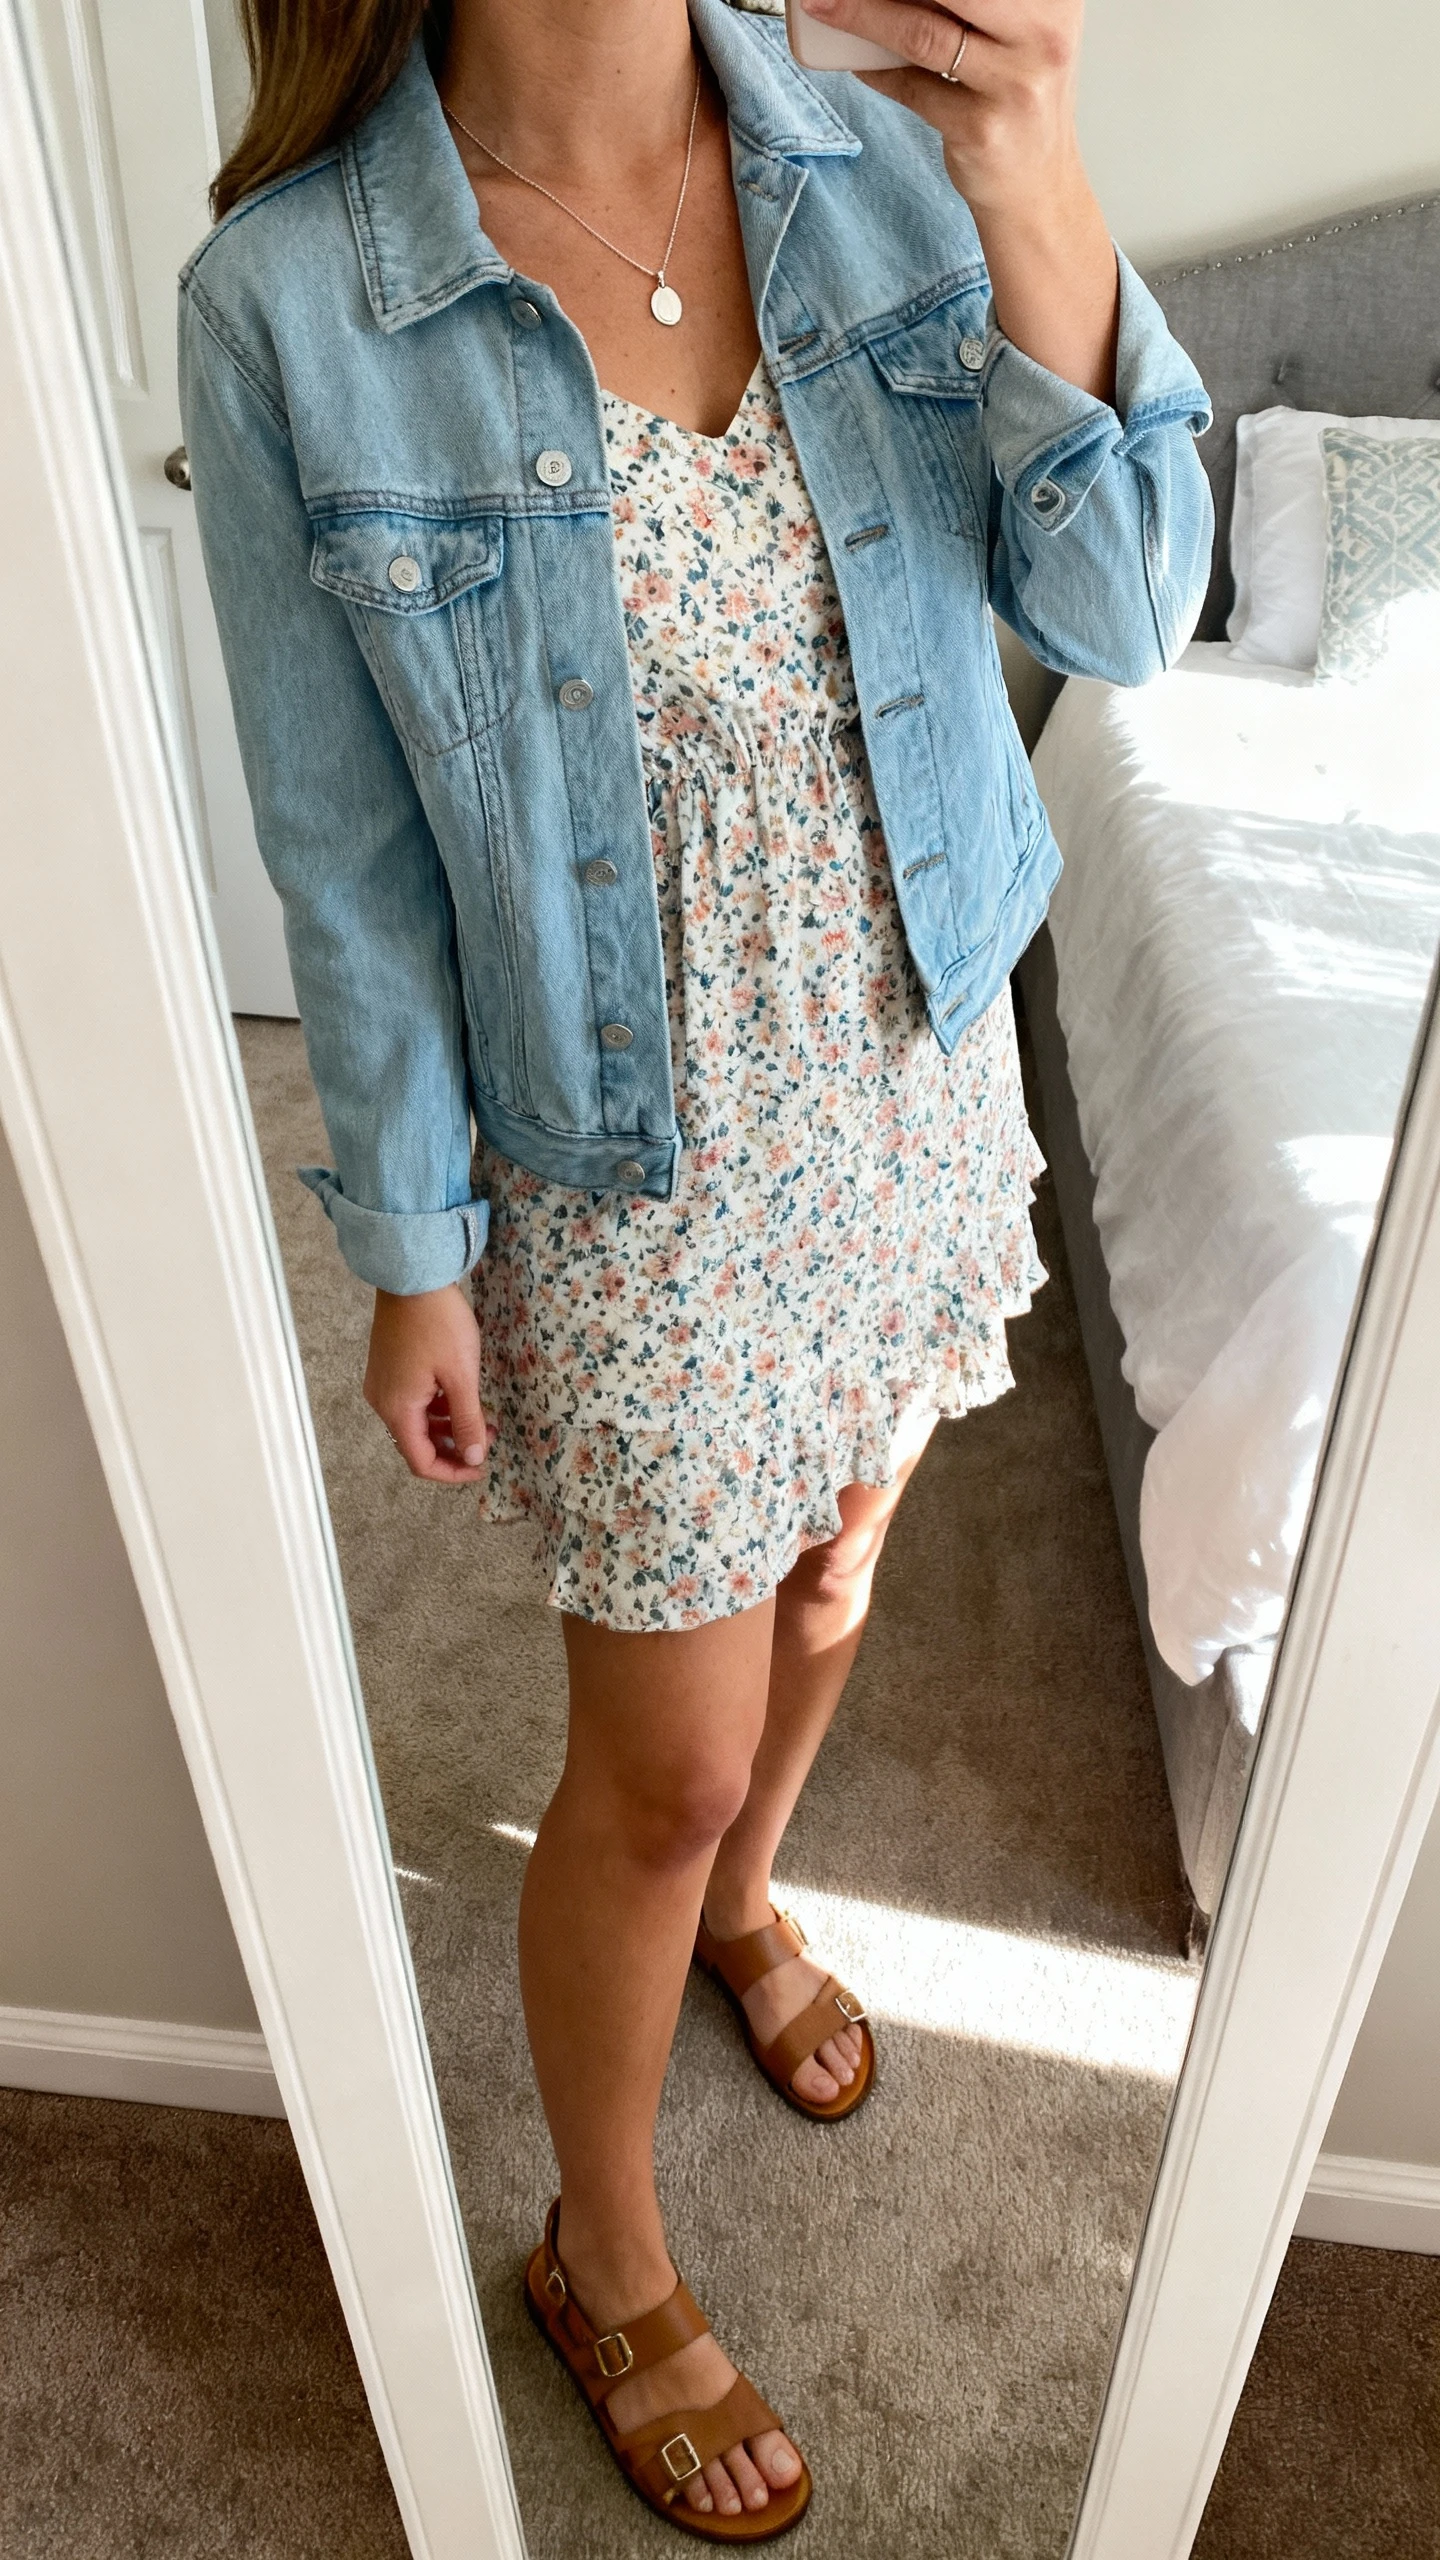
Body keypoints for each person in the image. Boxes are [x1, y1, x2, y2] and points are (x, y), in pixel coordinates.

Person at [181, 0, 1210, 2532]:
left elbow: (1127, 601)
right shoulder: (297, 297)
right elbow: (350, 844)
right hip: (621, 1168)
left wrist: (1037, 160)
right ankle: (603, 2237)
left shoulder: (882, 164)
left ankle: (761, 1902)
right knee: (652, 1770)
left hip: (905, 1059)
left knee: (841, 1571)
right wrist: (414, 1246)